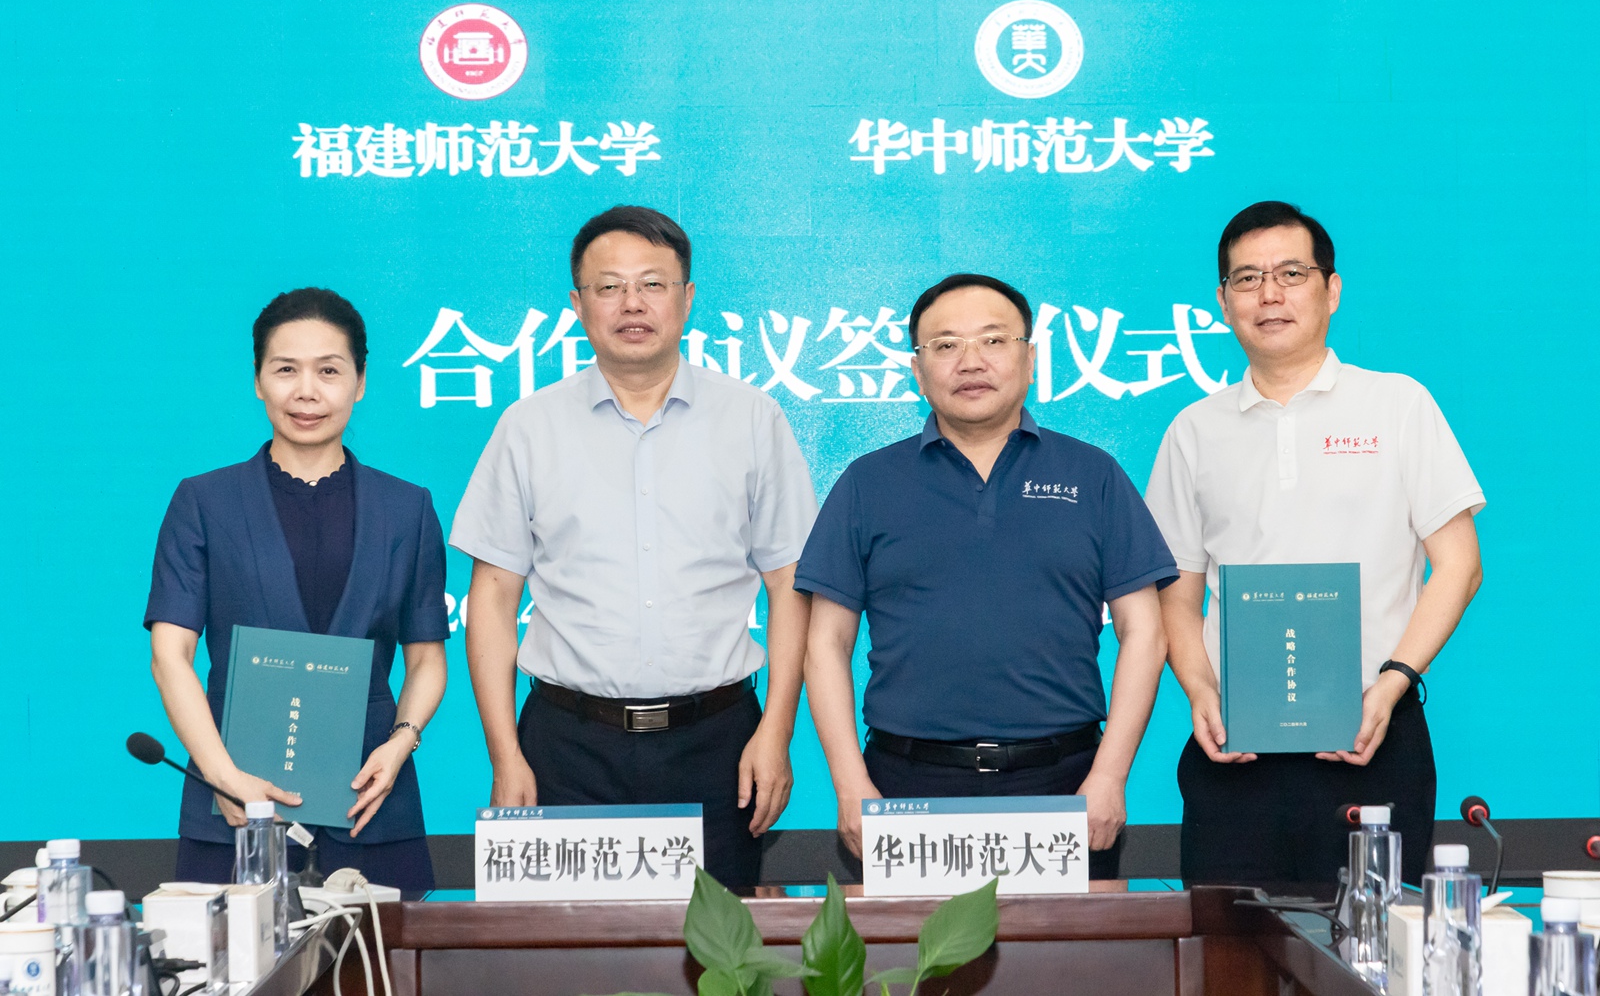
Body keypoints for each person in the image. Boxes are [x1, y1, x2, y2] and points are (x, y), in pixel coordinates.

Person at [451, 205, 816, 889]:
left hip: (717, 743)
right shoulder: (529, 427)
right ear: (578, 304)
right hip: (566, 746)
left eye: (652, 283)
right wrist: (505, 753)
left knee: (719, 943)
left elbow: (789, 584)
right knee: (564, 945)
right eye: (609, 287)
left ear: (687, 297)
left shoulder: (751, 419)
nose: (632, 304)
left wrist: (776, 733)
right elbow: (493, 599)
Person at [1144, 201, 1484, 886]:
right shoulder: (1194, 430)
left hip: (1373, 733)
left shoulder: (1398, 404)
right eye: (1247, 278)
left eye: (1291, 273)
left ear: (1331, 290)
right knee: (1228, 943)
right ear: (1223, 302)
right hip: (1236, 747)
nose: (1269, 294)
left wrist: (1392, 683)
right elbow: (1175, 593)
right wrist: (1200, 690)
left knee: (1373, 941)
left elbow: (1459, 565)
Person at [796, 273, 1175, 877]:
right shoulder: (868, 482)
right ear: (917, 370)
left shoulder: (1092, 474)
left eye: (994, 341)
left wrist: (1109, 775)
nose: (970, 362)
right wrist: (851, 785)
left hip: (1066, 783)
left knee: (1074, 945)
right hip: (905, 784)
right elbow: (825, 643)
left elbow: (1145, 632)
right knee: (909, 945)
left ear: (1031, 360)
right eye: (945, 345)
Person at [146, 288, 449, 889]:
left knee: (381, 951)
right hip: (235, 803)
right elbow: (169, 655)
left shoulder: (407, 508)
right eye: (285, 370)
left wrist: (400, 744)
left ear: (360, 383)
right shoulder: (203, 502)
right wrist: (220, 774)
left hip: (368, 800)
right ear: (258, 381)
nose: (307, 392)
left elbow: (426, 659)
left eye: (329, 371)